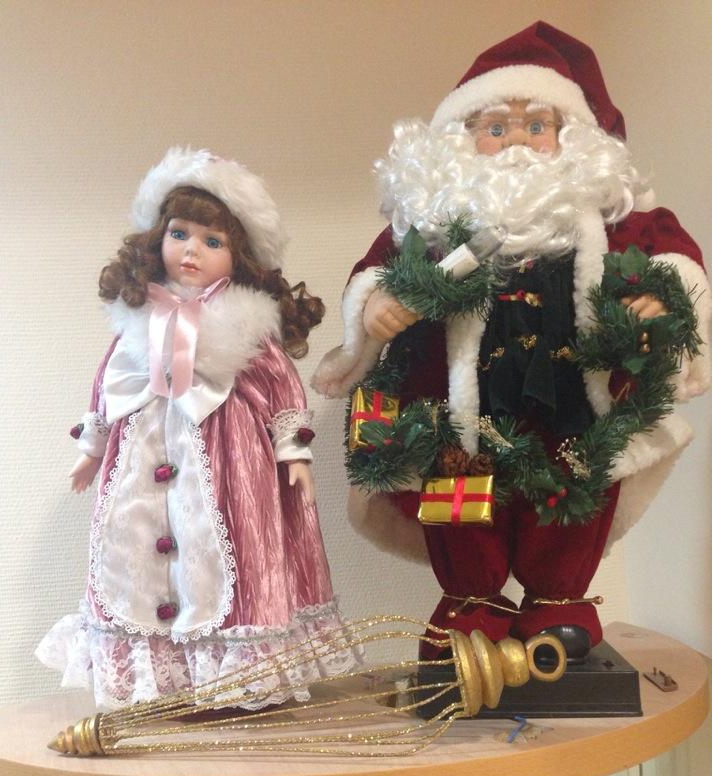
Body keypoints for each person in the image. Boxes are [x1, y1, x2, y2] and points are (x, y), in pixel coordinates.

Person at [313, 22, 710, 661]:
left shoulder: (603, 220)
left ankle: (557, 605)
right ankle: (471, 605)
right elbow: (382, 270)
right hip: (457, 416)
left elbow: (668, 251)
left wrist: (660, 294)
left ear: (570, 140)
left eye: (537, 125)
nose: (517, 141)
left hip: (572, 411)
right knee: (458, 507)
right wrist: (375, 305)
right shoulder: (434, 223)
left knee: (573, 502)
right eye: (496, 127)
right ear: (463, 142)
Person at [37, 147, 356, 708]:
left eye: (213, 242)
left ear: (239, 258)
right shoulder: (139, 316)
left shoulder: (245, 323)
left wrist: (293, 452)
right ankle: (164, 676)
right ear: (156, 239)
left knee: (227, 551)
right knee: (137, 550)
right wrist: (93, 447)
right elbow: (111, 379)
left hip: (228, 458)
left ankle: (230, 676)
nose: (191, 251)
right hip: (141, 451)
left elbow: (280, 385)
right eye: (180, 234)